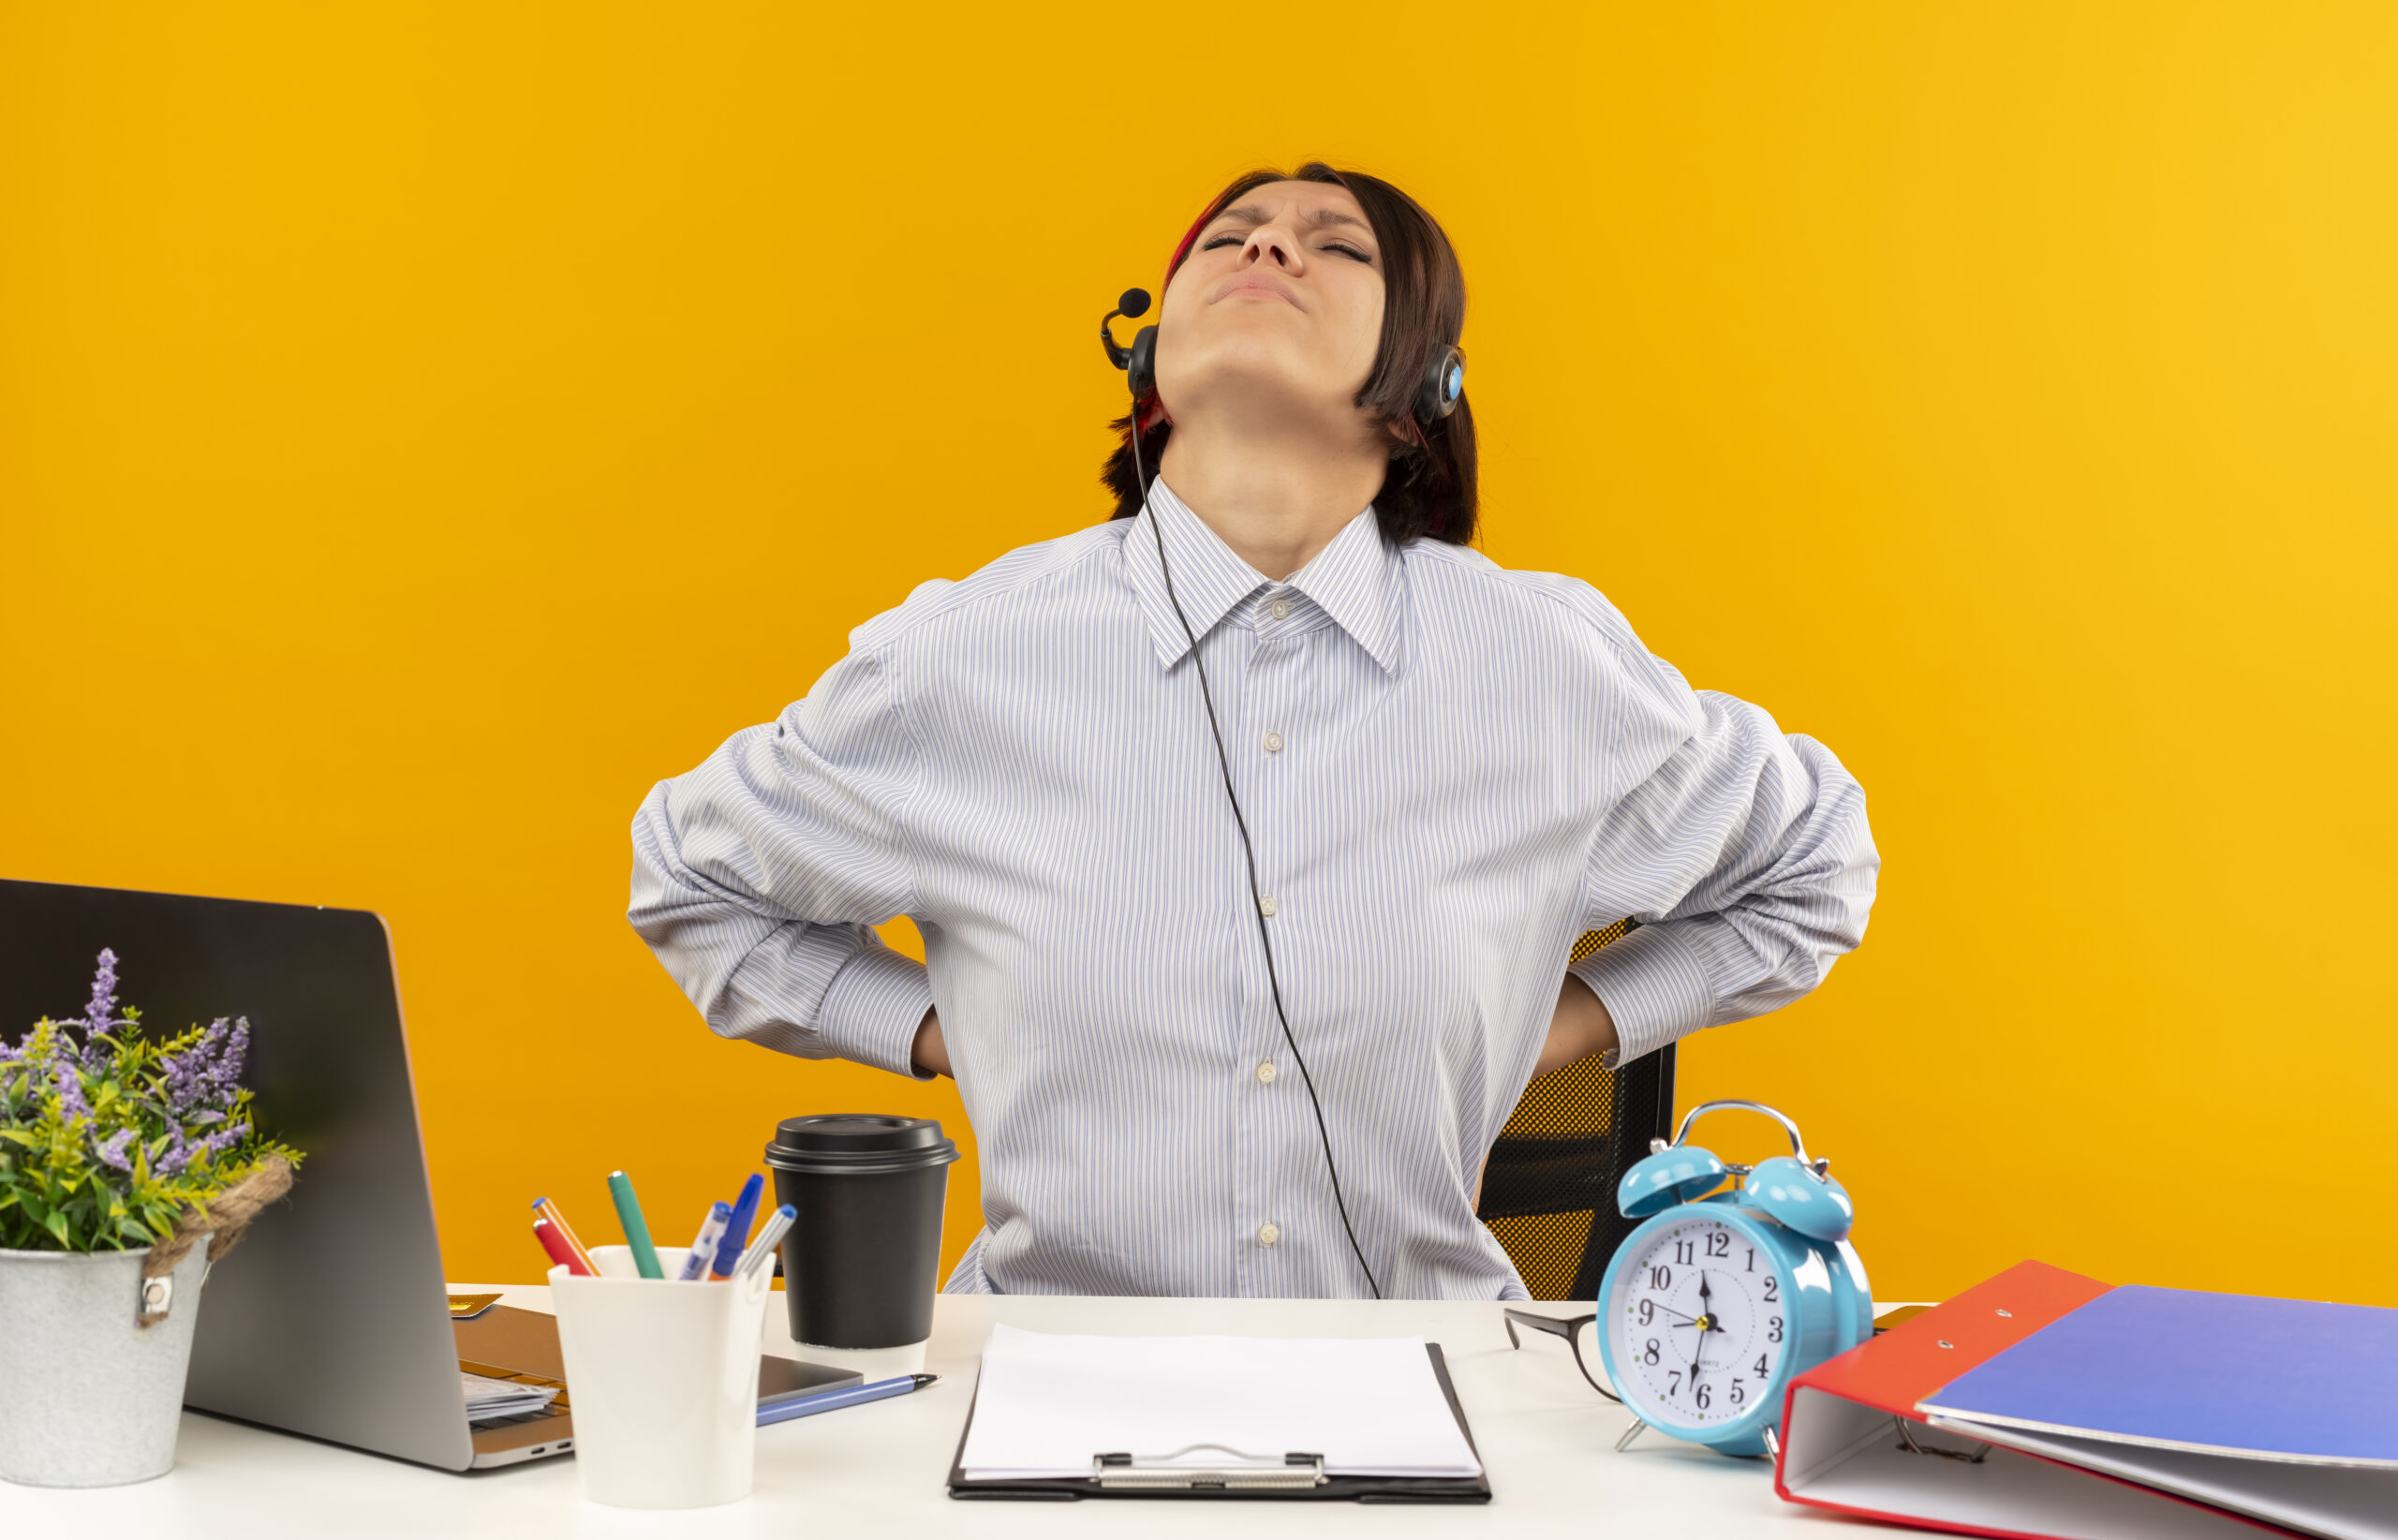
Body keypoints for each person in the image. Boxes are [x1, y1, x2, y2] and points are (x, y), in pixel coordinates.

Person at [629, 162, 1878, 1300]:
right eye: (1229, 237)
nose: (1270, 250)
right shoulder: (968, 656)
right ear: (1149, 363)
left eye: (1339, 249)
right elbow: (691, 878)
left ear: (1423, 386)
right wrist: (948, 1030)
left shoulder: (1541, 665)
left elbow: (1816, 865)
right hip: (1044, 1393)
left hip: (1437, 1388)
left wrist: (1553, 1025)